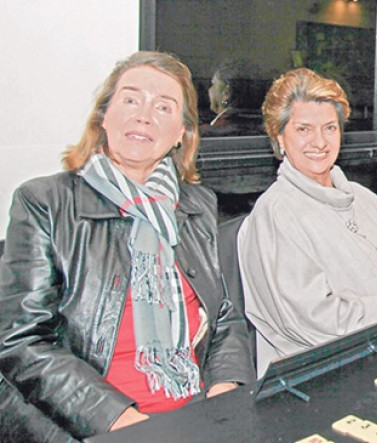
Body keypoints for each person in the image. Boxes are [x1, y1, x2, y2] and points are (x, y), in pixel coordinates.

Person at [0, 51, 255, 440]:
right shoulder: (45, 202)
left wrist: (225, 392)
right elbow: (21, 340)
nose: (143, 115)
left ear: (181, 134)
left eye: (164, 107)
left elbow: (224, 317)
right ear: (105, 116)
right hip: (89, 426)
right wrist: (122, 423)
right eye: (131, 99)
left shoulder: (198, 206)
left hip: (193, 414)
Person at [238, 68, 377, 373]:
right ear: (279, 137)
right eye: (303, 129)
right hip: (333, 377)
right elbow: (313, 321)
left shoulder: (360, 197)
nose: (319, 141)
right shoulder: (275, 214)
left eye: (329, 128)